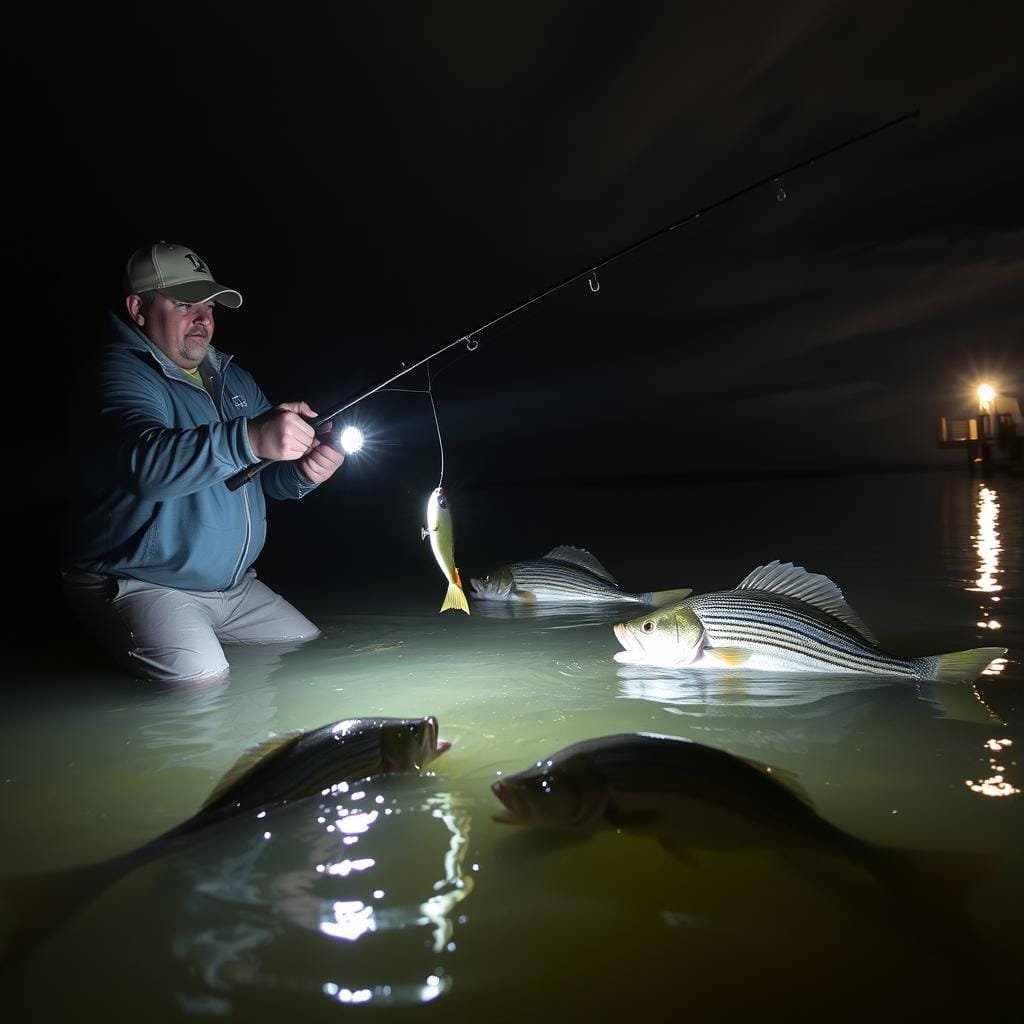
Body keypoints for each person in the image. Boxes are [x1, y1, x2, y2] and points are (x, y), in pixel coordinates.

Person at [61, 241, 345, 683]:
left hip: (233, 588)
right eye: (184, 304)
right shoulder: (117, 374)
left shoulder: (234, 378)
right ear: (138, 309)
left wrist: (304, 469)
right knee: (202, 683)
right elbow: (146, 464)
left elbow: (265, 479)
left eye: (209, 306)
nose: (203, 318)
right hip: (138, 583)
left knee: (310, 652)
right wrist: (252, 436)